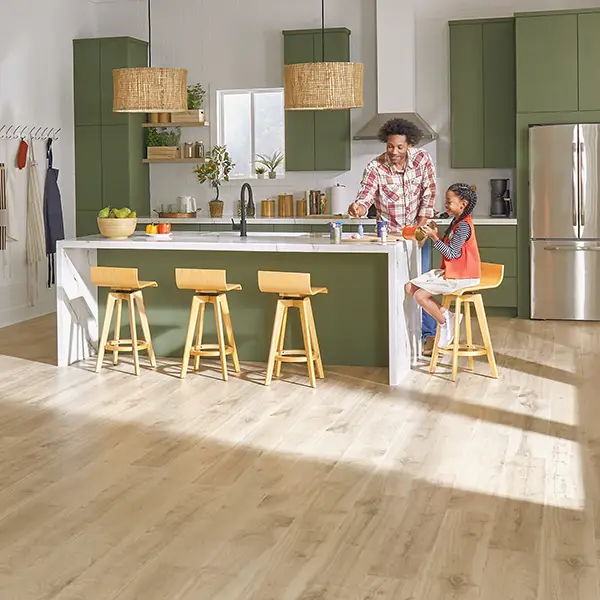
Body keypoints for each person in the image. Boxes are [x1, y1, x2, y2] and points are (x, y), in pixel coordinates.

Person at [347, 117, 438, 353]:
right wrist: (358, 207)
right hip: (391, 237)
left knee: (423, 284)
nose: (394, 152)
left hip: (419, 233)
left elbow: (429, 193)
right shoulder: (375, 167)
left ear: (409, 144)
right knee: (396, 287)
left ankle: (429, 335)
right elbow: (365, 197)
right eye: (390, 146)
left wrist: (421, 225)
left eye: (399, 147)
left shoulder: (422, 160)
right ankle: (398, 339)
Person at [405, 183, 481, 349]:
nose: (446, 205)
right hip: (453, 271)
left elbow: (452, 254)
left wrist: (434, 238)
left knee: (419, 296)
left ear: (463, 204)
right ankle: (448, 317)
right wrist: (437, 233)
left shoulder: (463, 226)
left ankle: (445, 321)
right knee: (410, 287)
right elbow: (451, 248)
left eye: (449, 201)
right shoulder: (457, 221)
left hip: (463, 276)